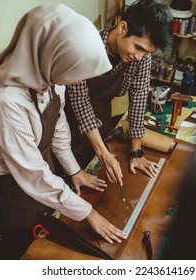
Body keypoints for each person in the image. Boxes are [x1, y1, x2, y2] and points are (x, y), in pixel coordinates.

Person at [0, 4, 126, 259]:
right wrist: (89, 213)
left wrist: (74, 171)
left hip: (37, 172)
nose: (78, 81)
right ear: (52, 55)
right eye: (76, 71)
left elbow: (58, 128)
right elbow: (32, 174)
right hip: (11, 185)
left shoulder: (49, 79)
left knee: (42, 230)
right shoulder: (5, 102)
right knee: (23, 249)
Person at [65, 0, 173, 186]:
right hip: (70, 128)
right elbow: (80, 103)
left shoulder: (142, 57)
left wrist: (136, 152)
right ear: (123, 28)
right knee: (73, 182)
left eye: (147, 53)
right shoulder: (85, 49)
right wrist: (103, 154)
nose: (139, 57)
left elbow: (138, 99)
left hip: (102, 120)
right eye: (138, 47)